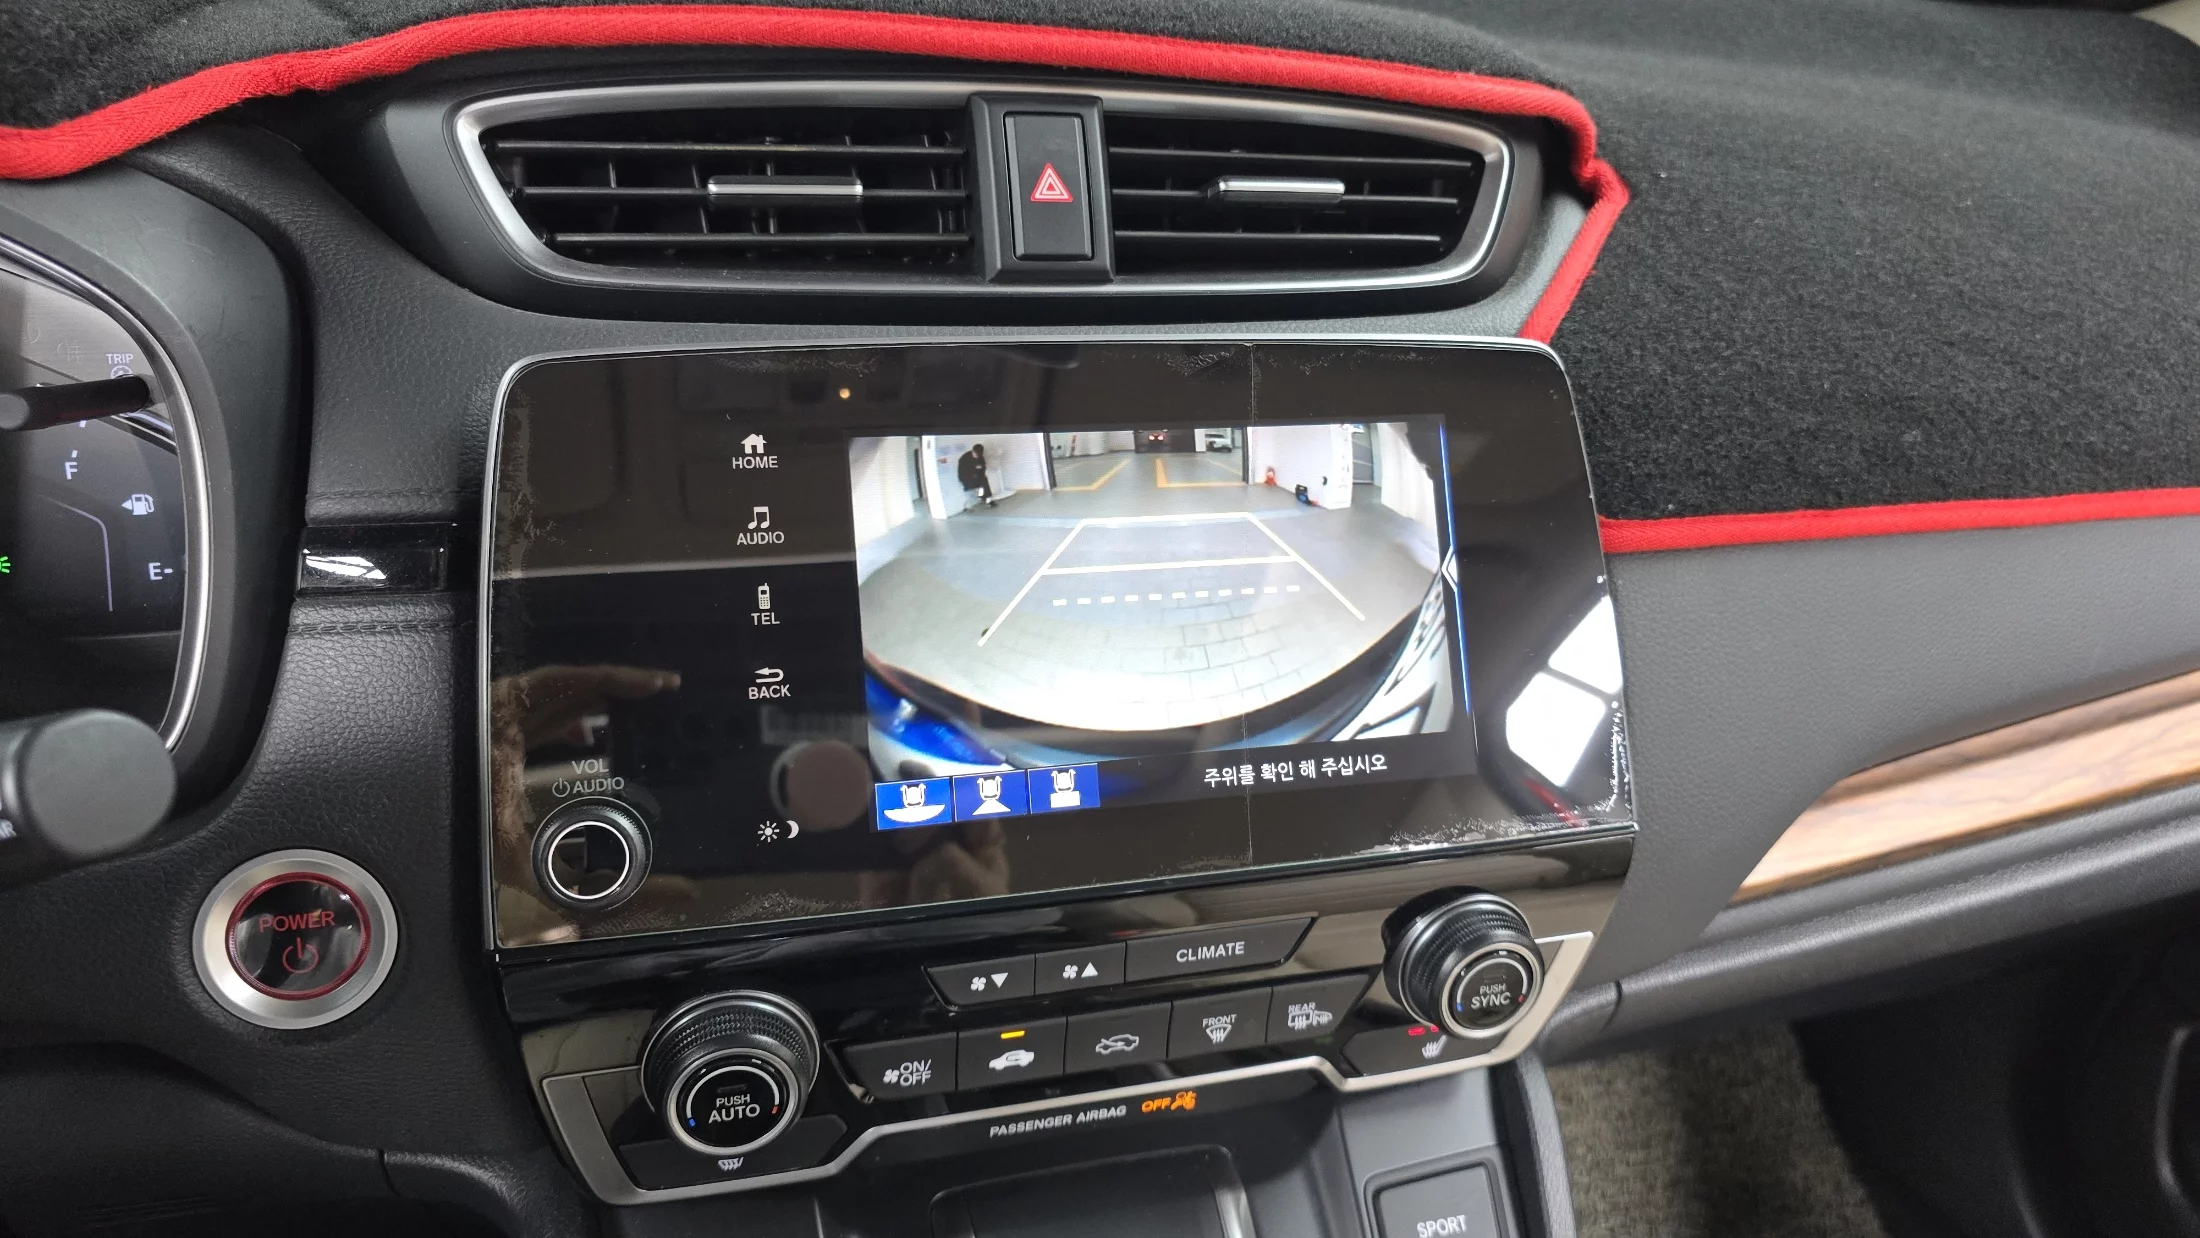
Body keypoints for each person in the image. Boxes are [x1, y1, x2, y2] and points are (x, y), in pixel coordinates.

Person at [957, 442, 996, 507]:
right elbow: (962, 471)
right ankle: (982, 497)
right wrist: (974, 468)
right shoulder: (964, 458)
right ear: (973, 451)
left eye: (978, 455)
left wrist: (981, 468)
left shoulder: (980, 457)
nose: (977, 456)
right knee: (979, 484)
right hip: (966, 477)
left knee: (984, 481)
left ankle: (988, 500)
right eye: (976, 454)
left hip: (978, 475)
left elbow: (983, 466)